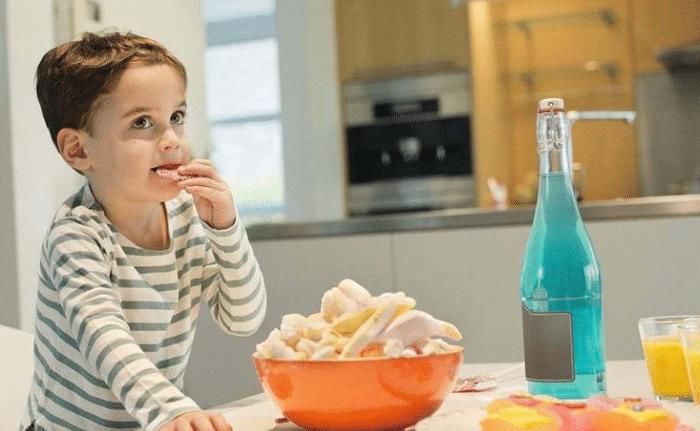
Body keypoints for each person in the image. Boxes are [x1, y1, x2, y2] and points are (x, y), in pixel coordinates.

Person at [20, 31, 267, 431]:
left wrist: (226, 228)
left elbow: (242, 317)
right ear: (79, 150)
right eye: (142, 123)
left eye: (177, 117)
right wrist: (172, 408)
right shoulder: (77, 236)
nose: (171, 140)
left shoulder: (185, 214)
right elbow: (107, 341)